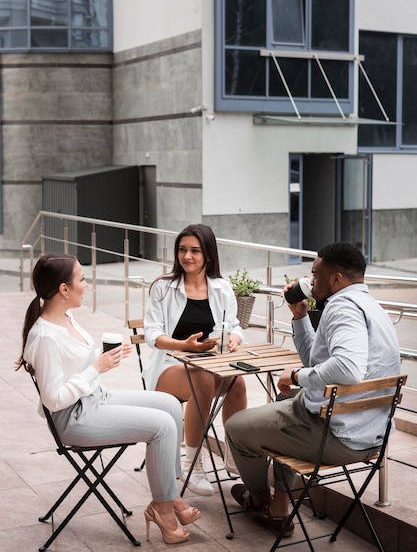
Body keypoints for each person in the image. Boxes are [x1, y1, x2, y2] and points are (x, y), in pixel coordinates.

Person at [15, 253, 201, 545]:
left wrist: (108, 358)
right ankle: (163, 508)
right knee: (162, 426)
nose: (86, 285)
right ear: (64, 289)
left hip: (95, 398)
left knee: (167, 403)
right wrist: (96, 368)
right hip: (74, 418)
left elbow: (77, 365)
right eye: (82, 279)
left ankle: (171, 494)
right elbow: (54, 400)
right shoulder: (45, 337)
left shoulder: (66, 316)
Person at [225, 242, 401, 537]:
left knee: (235, 427)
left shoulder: (342, 307)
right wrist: (299, 315)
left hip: (336, 437)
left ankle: (258, 499)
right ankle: (281, 509)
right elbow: (317, 363)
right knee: (287, 402)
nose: (310, 281)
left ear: (336, 279)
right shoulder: (370, 305)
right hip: (373, 436)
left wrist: (295, 375)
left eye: (315, 274)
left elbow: (348, 368)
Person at [144, 224, 247, 496]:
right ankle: (194, 464)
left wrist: (234, 337)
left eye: (194, 251)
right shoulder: (163, 288)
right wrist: (184, 345)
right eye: (182, 250)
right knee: (200, 378)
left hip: (209, 363)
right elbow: (152, 334)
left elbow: (234, 325)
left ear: (208, 255)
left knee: (237, 382)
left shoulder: (222, 288)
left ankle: (234, 453)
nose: (186, 256)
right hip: (169, 365)